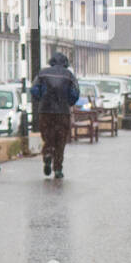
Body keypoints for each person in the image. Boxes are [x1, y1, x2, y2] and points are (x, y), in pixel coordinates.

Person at [30, 51, 79, 179]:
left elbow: (34, 90)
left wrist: (42, 99)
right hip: (62, 112)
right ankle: (57, 168)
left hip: (45, 112)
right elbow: (75, 93)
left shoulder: (42, 73)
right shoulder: (69, 75)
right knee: (60, 140)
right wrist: (67, 102)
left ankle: (47, 154)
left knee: (48, 137)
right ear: (65, 63)